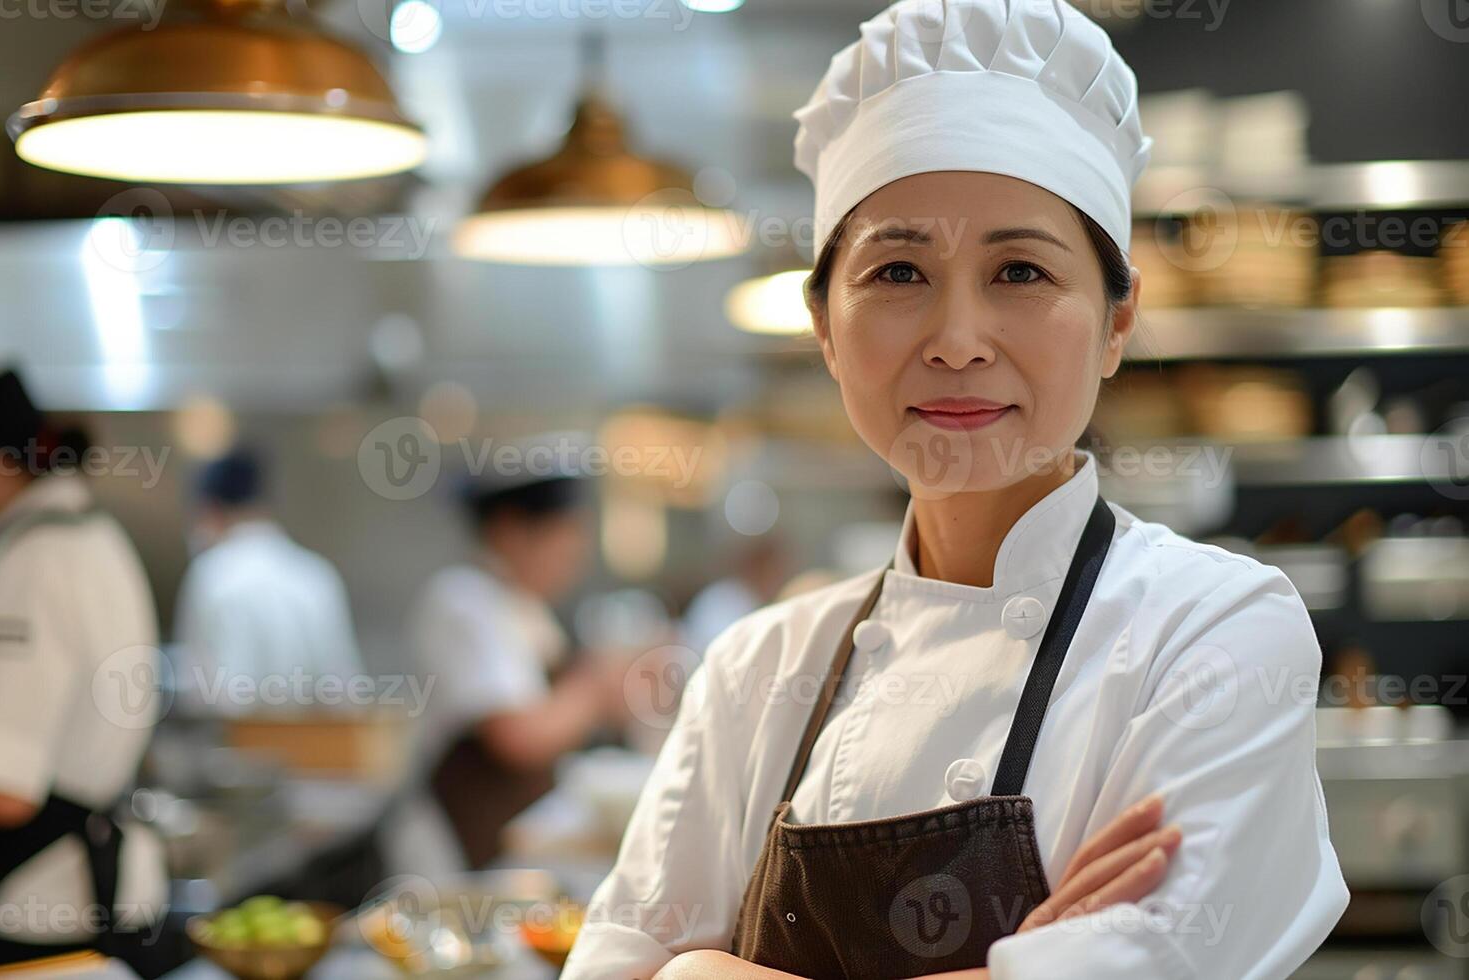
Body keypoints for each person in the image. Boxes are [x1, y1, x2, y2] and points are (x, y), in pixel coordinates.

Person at [562, 3, 1348, 978]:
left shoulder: (1214, 632)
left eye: (1020, 269)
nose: (958, 338)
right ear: (824, 325)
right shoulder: (753, 670)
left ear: (1116, 320)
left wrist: (701, 970)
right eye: (898, 270)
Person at [393, 439, 634, 874]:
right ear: (509, 530)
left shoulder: (524, 606)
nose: (574, 555)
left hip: (508, 846)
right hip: (453, 852)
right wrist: (595, 685)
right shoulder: (464, 601)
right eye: (564, 536)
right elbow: (518, 737)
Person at [0, 368, 171, 973]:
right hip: (98, 892)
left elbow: (8, 791)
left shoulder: (33, 564)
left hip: (44, 906)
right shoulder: (93, 534)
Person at [172, 447, 364, 713]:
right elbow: (345, 691)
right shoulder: (316, 574)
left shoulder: (210, 574)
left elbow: (197, 693)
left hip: (231, 747)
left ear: (210, 510)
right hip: (312, 749)